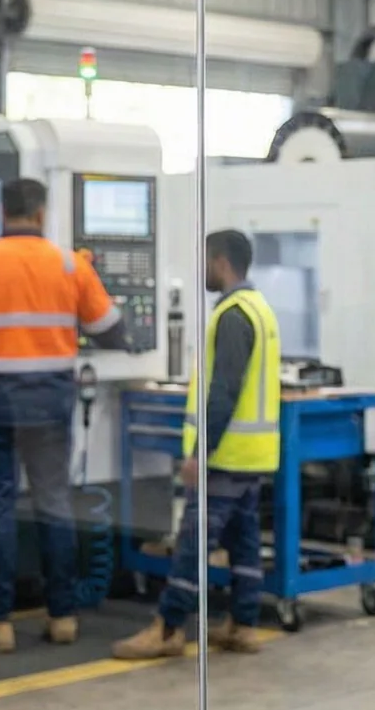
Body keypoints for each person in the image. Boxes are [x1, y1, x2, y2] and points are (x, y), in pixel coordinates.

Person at [0, 177, 132, 653]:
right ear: (41, 213)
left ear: (3, 212)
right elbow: (113, 332)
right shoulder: (71, 265)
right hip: (50, 401)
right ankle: (62, 616)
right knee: (54, 503)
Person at [114, 229, 282, 660]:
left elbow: (223, 391)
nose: (201, 268)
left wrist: (198, 454)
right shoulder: (259, 309)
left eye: (204, 259)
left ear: (221, 261)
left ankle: (168, 627)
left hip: (225, 456)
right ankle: (243, 624)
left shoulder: (232, 315)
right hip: (253, 456)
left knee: (193, 543)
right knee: (244, 544)